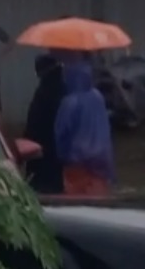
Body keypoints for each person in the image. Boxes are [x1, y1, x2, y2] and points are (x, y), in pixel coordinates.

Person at [54, 62, 115, 195]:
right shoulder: (98, 97)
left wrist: (62, 157)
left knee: (77, 206)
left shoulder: (69, 102)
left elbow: (61, 136)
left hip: (77, 165)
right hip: (101, 164)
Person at [23, 54, 66, 194]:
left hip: (42, 156)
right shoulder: (63, 88)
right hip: (59, 157)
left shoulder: (44, 93)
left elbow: (34, 125)